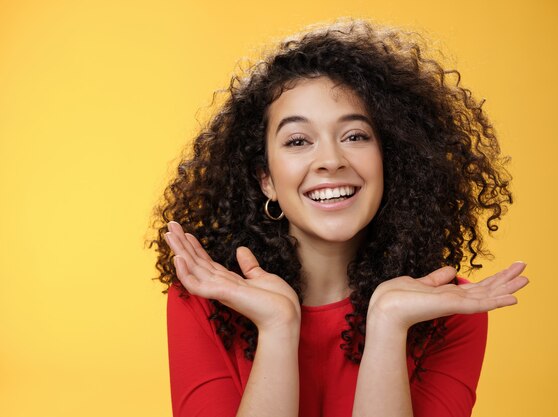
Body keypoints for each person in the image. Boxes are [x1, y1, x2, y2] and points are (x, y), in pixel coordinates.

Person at [148, 19, 529, 417]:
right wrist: (278, 329)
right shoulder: (206, 300)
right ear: (267, 181)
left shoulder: (446, 311)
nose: (331, 161)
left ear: (391, 159)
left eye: (355, 136)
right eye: (298, 141)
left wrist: (388, 325)